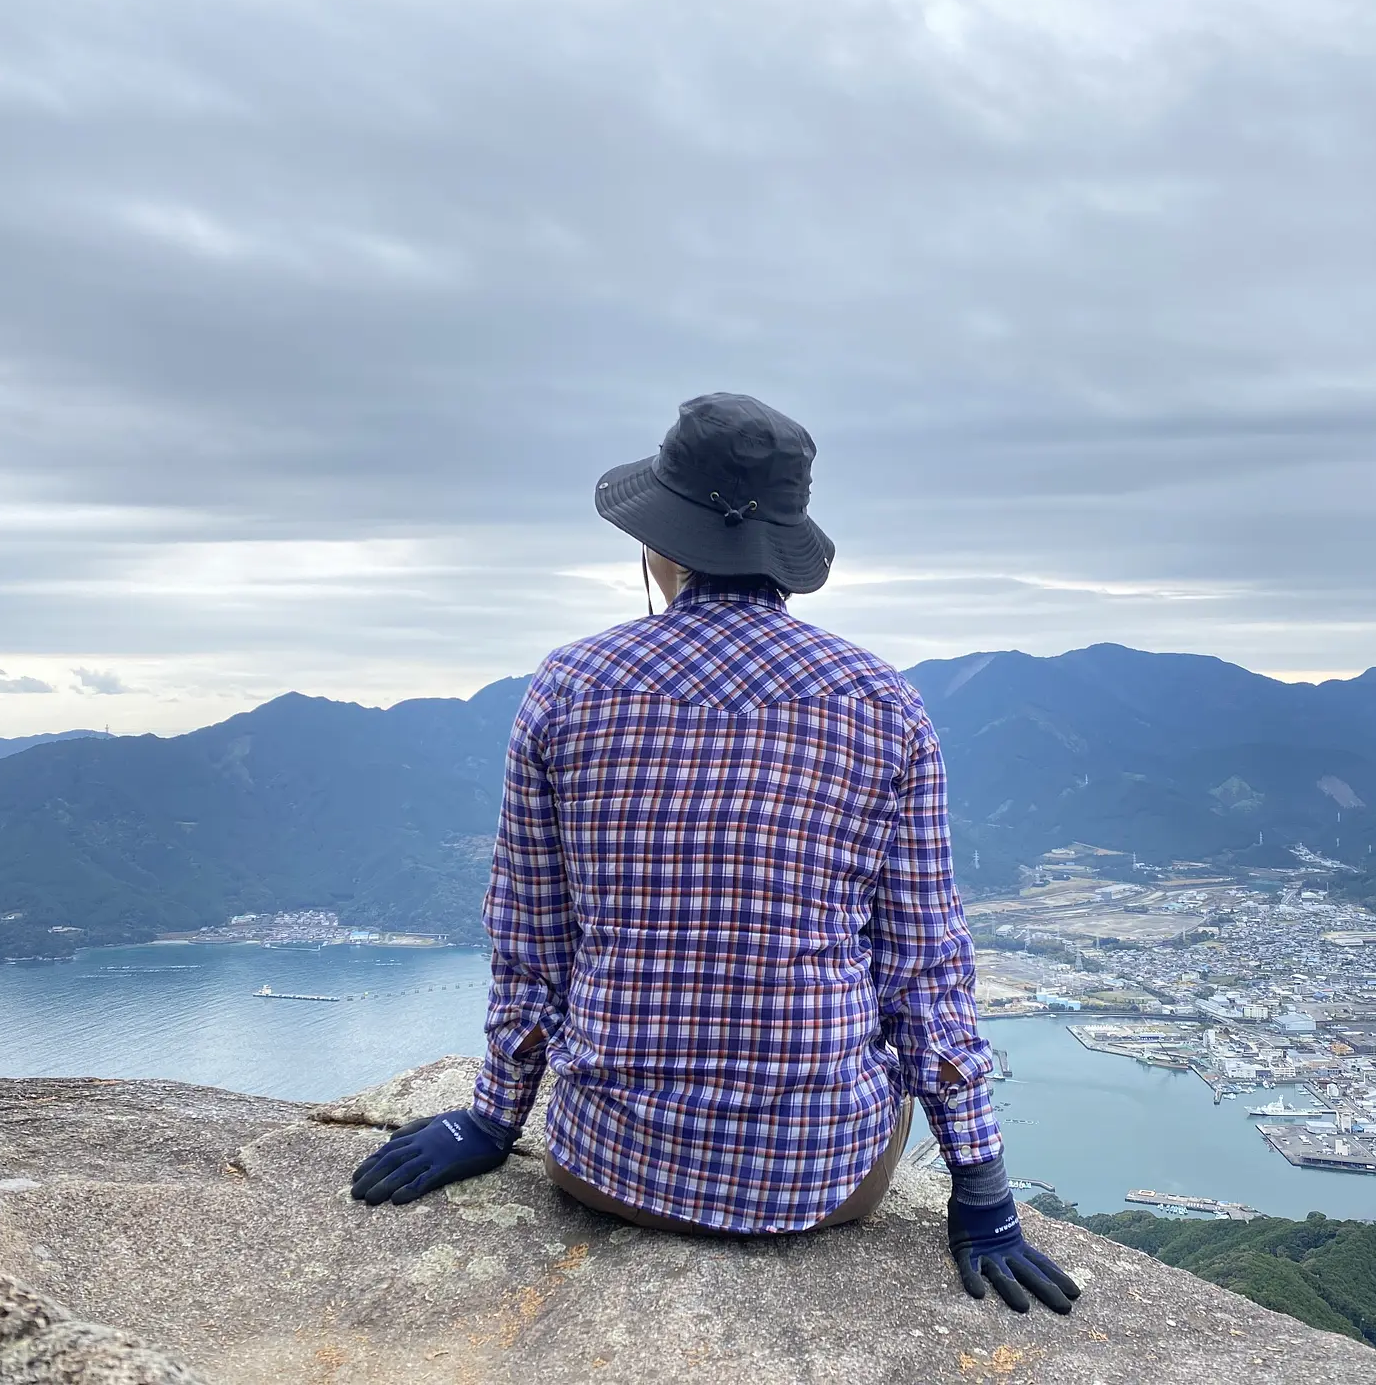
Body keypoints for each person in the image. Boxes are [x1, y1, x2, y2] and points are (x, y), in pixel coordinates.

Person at [350, 393, 1079, 1315]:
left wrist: (493, 1120)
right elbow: (925, 969)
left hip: (605, 1165)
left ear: (662, 542)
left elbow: (531, 944)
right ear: (786, 546)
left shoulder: (568, 687)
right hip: (823, 1183)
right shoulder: (882, 703)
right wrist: (982, 1192)